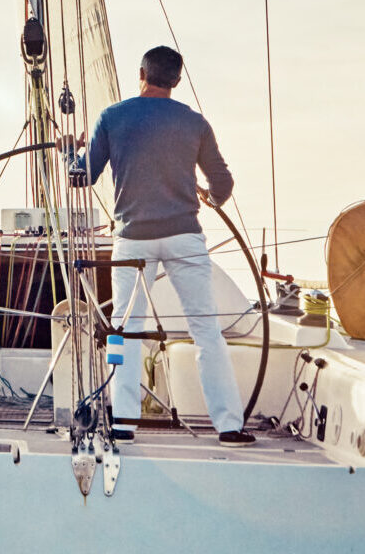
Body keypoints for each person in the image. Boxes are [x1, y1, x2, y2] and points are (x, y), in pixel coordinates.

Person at [82, 45, 255, 446]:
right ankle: (228, 425)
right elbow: (223, 184)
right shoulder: (195, 123)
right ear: (177, 80)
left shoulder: (112, 117)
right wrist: (210, 195)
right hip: (184, 237)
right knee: (206, 331)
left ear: (141, 73)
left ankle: (123, 421)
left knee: (125, 330)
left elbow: (84, 176)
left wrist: (72, 155)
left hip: (132, 239)